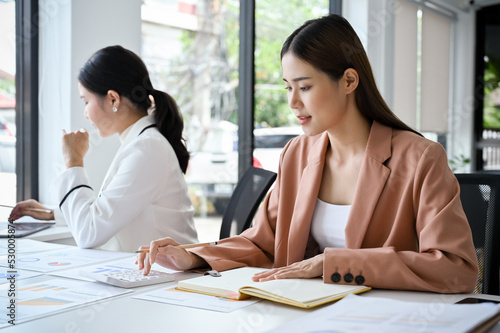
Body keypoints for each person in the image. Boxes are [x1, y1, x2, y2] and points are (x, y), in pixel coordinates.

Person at [137, 15, 478, 293]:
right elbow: (263, 244)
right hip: (304, 311)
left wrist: (334, 264)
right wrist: (192, 257)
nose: (292, 102)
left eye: (305, 86)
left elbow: (455, 268)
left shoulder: (420, 158)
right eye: (288, 87)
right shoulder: (297, 154)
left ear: (348, 81)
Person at [9, 45, 198, 252]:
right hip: (156, 273)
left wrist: (73, 161)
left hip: (170, 278)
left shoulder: (147, 148)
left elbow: (89, 234)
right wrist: (54, 214)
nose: (85, 113)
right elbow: (114, 212)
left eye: (86, 101)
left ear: (113, 99)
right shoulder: (143, 143)